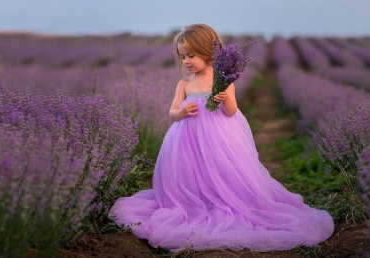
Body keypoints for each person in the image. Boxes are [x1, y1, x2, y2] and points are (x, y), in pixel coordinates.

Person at [109, 23, 334, 252]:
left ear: (208, 52)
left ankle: (223, 200)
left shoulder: (223, 80)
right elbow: (172, 112)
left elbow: (231, 111)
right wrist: (182, 112)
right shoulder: (185, 84)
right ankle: (192, 203)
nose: (186, 61)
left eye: (191, 55)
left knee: (221, 171)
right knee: (191, 173)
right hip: (187, 139)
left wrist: (225, 98)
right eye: (183, 56)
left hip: (218, 138)